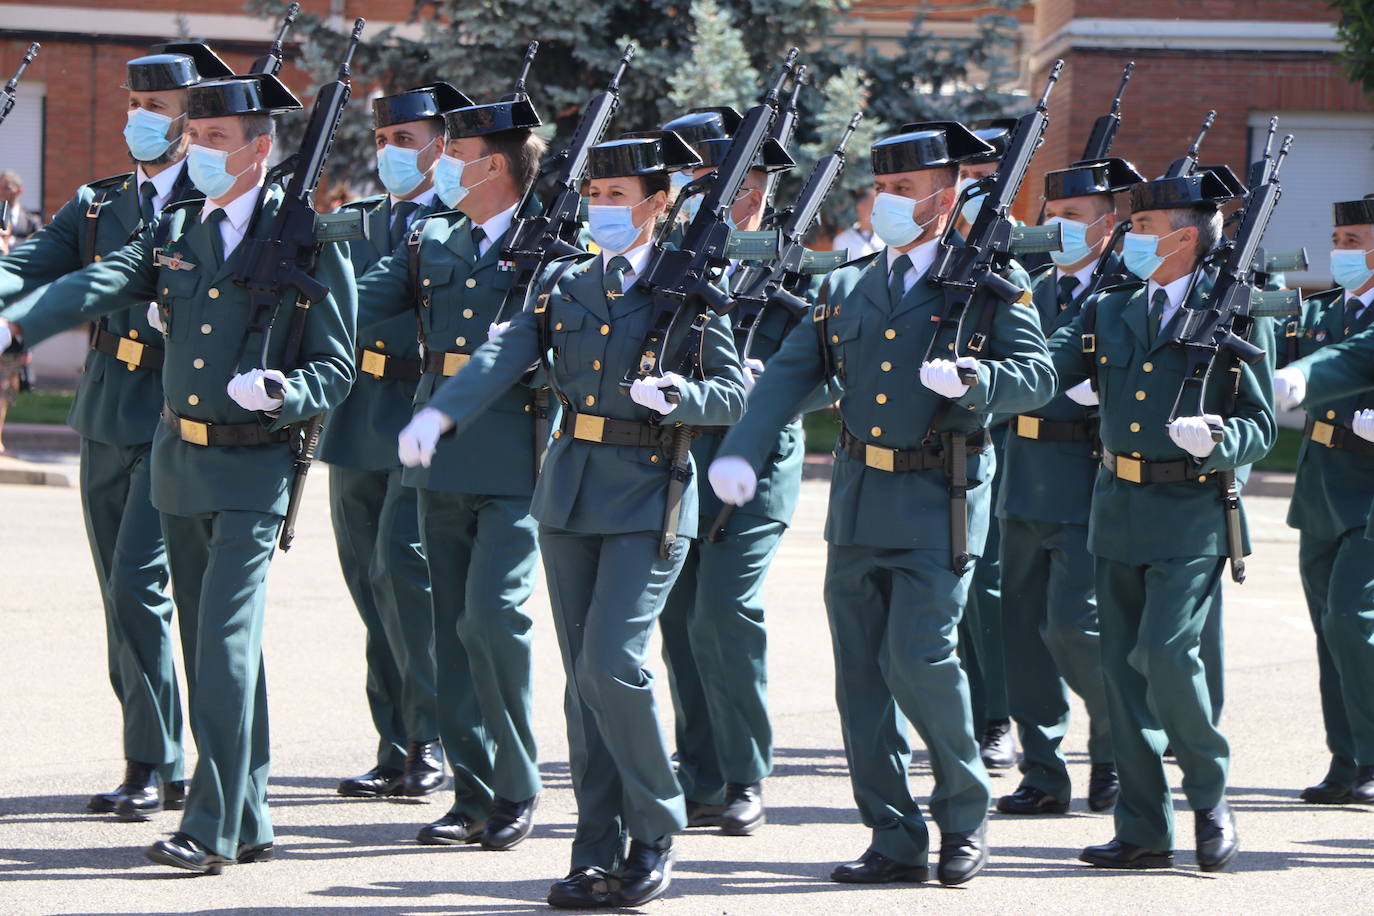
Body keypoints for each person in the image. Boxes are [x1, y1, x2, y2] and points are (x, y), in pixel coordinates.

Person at [0, 69, 357, 873]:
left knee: (223, 647)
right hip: (177, 461)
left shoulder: (310, 237)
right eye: (192, 136)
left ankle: (212, 826)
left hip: (255, 467)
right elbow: (99, 283)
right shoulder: (180, 228)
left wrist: (285, 390)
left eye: (213, 139)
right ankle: (253, 814)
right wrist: (15, 329)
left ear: (259, 150)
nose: (194, 150)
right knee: (211, 648)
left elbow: (336, 368)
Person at [397, 130, 745, 908]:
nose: (600, 210)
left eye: (616, 198)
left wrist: (684, 400)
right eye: (593, 196)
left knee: (610, 664)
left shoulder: (690, 289)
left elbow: (732, 392)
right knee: (582, 688)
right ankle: (595, 850)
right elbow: (501, 353)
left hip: (650, 493)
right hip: (570, 493)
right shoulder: (565, 286)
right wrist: (444, 413)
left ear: (658, 204)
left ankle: (654, 830)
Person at [710, 121, 1055, 887]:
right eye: (883, 189)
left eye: (905, 190)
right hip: (861, 501)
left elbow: (1038, 376)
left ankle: (963, 818)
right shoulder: (847, 287)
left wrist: (978, 383)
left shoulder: (991, 281)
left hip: (941, 496)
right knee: (861, 678)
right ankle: (892, 836)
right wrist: (739, 449)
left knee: (921, 659)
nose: (888, 202)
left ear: (948, 195)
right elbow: (786, 380)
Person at [0, 42, 231, 819]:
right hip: (106, 406)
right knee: (118, 591)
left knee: (140, 582)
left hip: (177, 409)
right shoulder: (99, 204)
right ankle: (157, 755)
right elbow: (31, 265)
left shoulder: (213, 207)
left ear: (191, 120)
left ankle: (165, 758)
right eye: (133, 104)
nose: (138, 119)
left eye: (155, 108)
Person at [1048, 166, 1274, 872]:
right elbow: (1048, 368)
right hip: (1117, 507)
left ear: (1183, 235)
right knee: (1121, 671)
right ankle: (1144, 828)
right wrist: (984, 379)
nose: (1127, 237)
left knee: (1170, 657)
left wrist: (1222, 441)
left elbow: (1261, 424)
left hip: (1190, 511)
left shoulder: (1235, 308)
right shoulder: (1112, 309)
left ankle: (1209, 796)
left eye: (1140, 227)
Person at [351, 89, 549, 850]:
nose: (441, 164)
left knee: (492, 619)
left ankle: (516, 783)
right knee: (450, 627)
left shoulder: (555, 252)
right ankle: (472, 793)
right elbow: (360, 306)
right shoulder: (432, 240)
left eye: (455, 153)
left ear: (491, 163)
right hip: (438, 457)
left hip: (519, 458)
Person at [321, 83, 471, 803]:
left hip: (426, 411)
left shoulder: (463, 222)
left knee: (401, 576)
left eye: (405, 141)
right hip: (358, 414)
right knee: (368, 585)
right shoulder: (353, 223)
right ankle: (393, 741)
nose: (391, 154)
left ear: (443, 146)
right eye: (383, 142)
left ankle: (430, 738)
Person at [655, 117, 798, 836]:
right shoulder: (671, 259)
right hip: (680, 460)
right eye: (702, 182)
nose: (715, 196)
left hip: (756, 466)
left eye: (736, 183)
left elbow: (835, 368)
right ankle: (702, 774)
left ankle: (746, 775)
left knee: (724, 613)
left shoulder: (794, 265)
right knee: (681, 621)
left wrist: (773, 383)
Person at [994, 157, 1141, 816]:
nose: (1058, 228)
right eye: (1051, 216)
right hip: (1022, 474)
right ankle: (1044, 771)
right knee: (1022, 632)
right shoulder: (1028, 288)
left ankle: (1114, 748)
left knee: (1076, 628)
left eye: (1073, 218)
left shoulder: (1123, 295)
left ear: (1107, 226)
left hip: (1086, 481)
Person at [1270, 193, 1374, 805]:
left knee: (1351, 620)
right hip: (1323, 484)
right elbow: (1274, 356)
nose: (1341, 254)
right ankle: (1346, 759)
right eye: (1338, 243)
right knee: (1327, 630)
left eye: (1354, 244)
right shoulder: (1322, 312)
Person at [952, 116, 1020, 770]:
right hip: (943, 446)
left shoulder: (1015, 262)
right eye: (967, 176)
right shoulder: (937, 258)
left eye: (984, 176)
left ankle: (1000, 715)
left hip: (1005, 447)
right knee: (963, 592)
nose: (973, 189)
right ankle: (974, 710)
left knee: (991, 590)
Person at [832, 186, 878, 260]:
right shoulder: (843, 240)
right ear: (860, 207)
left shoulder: (887, 236)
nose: (877, 211)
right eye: (873, 206)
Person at [0, 169, 43, 249]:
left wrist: (11, 241)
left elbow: (39, 242)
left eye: (6, 188)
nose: (1, 192)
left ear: (19, 190)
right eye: (0, 187)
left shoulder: (32, 220)